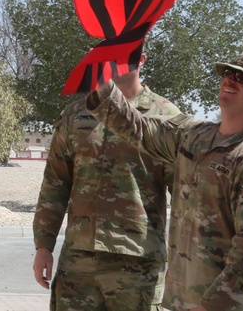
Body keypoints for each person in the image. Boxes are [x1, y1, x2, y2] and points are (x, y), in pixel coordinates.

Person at [86, 50, 243, 311]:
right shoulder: (194, 136)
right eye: (227, 73)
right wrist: (101, 76)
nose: (229, 80)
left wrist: (210, 307)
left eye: (242, 77)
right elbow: (136, 127)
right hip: (185, 301)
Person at [33, 55, 181, 310]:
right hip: (79, 263)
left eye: (129, 52)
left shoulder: (165, 116)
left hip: (138, 263)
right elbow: (55, 184)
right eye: (113, 53)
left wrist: (180, 264)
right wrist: (43, 246)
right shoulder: (77, 113)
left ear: (143, 59)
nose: (120, 59)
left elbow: (184, 197)